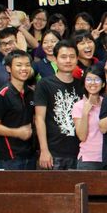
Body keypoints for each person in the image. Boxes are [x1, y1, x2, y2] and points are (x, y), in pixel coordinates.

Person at [34, 40, 82, 170]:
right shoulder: (44, 84)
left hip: (79, 152)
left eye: (72, 57)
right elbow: (39, 119)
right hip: (53, 153)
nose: (68, 60)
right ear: (55, 59)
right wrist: (44, 150)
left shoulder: (82, 85)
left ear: (77, 59)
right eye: (63, 57)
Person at [0, 50, 36, 170]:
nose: (24, 68)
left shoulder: (31, 93)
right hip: (10, 157)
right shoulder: (3, 94)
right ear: (8, 68)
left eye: (27, 65)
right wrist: (17, 132)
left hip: (30, 154)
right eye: (19, 65)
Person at [71, 65, 106, 170]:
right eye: (89, 79)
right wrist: (85, 112)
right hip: (88, 159)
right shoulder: (79, 106)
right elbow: (82, 136)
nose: (92, 83)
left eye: (97, 80)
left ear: (103, 84)